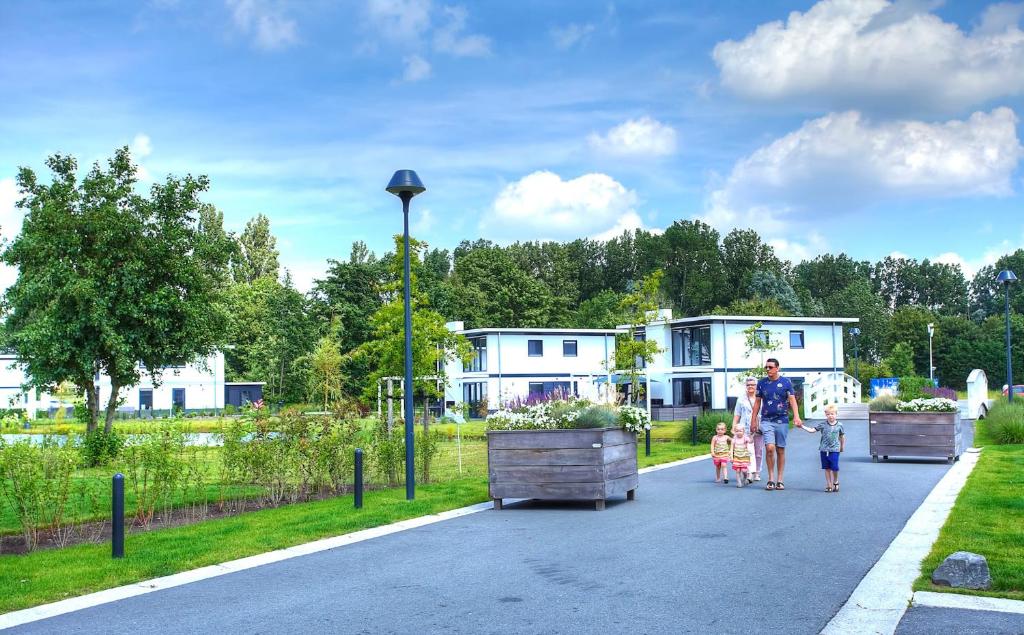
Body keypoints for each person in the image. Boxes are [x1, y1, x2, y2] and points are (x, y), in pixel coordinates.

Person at [749, 357, 802, 491]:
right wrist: (753, 420)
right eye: (766, 367)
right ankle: (771, 478)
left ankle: (780, 479)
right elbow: (757, 403)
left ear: (777, 368)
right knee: (770, 448)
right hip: (767, 420)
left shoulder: (786, 382)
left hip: (782, 420)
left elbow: (792, 400)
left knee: (780, 450)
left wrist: (796, 416)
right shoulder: (761, 383)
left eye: (770, 367)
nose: (768, 369)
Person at [796, 403, 846, 492]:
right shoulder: (823, 424)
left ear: (836, 414)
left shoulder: (840, 425)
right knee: (826, 468)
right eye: (828, 414)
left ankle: (835, 481)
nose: (830, 416)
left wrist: (842, 447)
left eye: (832, 414)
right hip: (824, 449)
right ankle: (829, 485)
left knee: (835, 467)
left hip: (835, 449)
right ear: (826, 415)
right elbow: (812, 430)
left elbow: (842, 436)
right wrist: (802, 426)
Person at [732, 377, 762, 482]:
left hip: (758, 428)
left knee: (758, 451)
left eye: (753, 384)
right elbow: (737, 414)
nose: (750, 386)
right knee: (747, 451)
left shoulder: (761, 398)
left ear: (756, 386)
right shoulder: (741, 399)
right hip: (744, 428)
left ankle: (757, 472)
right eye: (748, 385)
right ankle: (749, 472)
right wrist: (733, 427)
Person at [730, 422, 754, 488]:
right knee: (737, 470)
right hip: (737, 457)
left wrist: (751, 436)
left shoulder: (745, 438)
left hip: (744, 457)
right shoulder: (734, 439)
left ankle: (745, 477)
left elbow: (750, 441)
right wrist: (731, 457)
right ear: (735, 432)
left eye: (740, 431)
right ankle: (739, 482)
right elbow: (731, 449)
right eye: (737, 431)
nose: (739, 432)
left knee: (744, 470)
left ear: (743, 431)